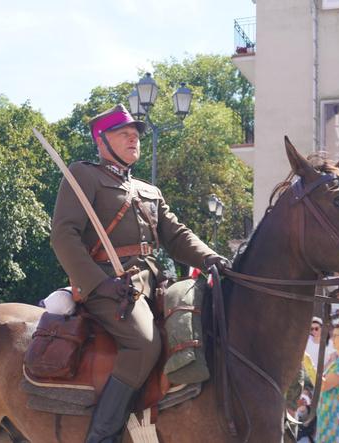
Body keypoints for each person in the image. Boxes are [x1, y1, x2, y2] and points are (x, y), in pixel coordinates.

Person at [50, 104, 229, 442]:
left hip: (150, 285)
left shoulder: (149, 191)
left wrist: (213, 259)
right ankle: (101, 435)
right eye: (124, 133)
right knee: (145, 344)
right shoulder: (84, 175)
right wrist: (97, 283)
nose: (134, 138)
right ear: (101, 141)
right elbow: (63, 235)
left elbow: (176, 236)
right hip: (106, 286)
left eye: (136, 134)